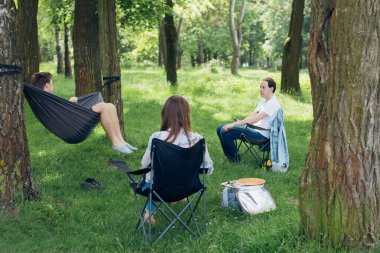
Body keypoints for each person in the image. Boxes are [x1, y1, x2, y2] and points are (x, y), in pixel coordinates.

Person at [140, 95, 213, 224]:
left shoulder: (157, 138)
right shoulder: (197, 139)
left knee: (149, 177)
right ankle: (177, 197)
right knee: (170, 178)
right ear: (187, 115)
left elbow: (144, 164)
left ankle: (148, 213)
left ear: (165, 114)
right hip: (188, 186)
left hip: (159, 188)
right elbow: (207, 168)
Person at [31, 72, 136, 154]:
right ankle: (115, 143)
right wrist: (70, 103)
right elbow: (61, 114)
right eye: (51, 84)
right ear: (46, 86)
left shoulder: (42, 99)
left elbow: (60, 113)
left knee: (111, 106)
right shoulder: (44, 100)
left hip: (70, 124)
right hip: (72, 130)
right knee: (103, 106)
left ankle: (121, 141)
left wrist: (70, 103)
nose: (52, 86)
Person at [216, 77, 281, 162]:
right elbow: (252, 116)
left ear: (271, 89)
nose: (261, 89)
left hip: (261, 134)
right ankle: (231, 156)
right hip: (254, 129)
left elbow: (255, 119)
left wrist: (234, 124)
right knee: (220, 127)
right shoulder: (263, 101)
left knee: (226, 131)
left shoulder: (273, 103)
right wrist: (241, 122)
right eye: (260, 87)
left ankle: (234, 159)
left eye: (263, 87)